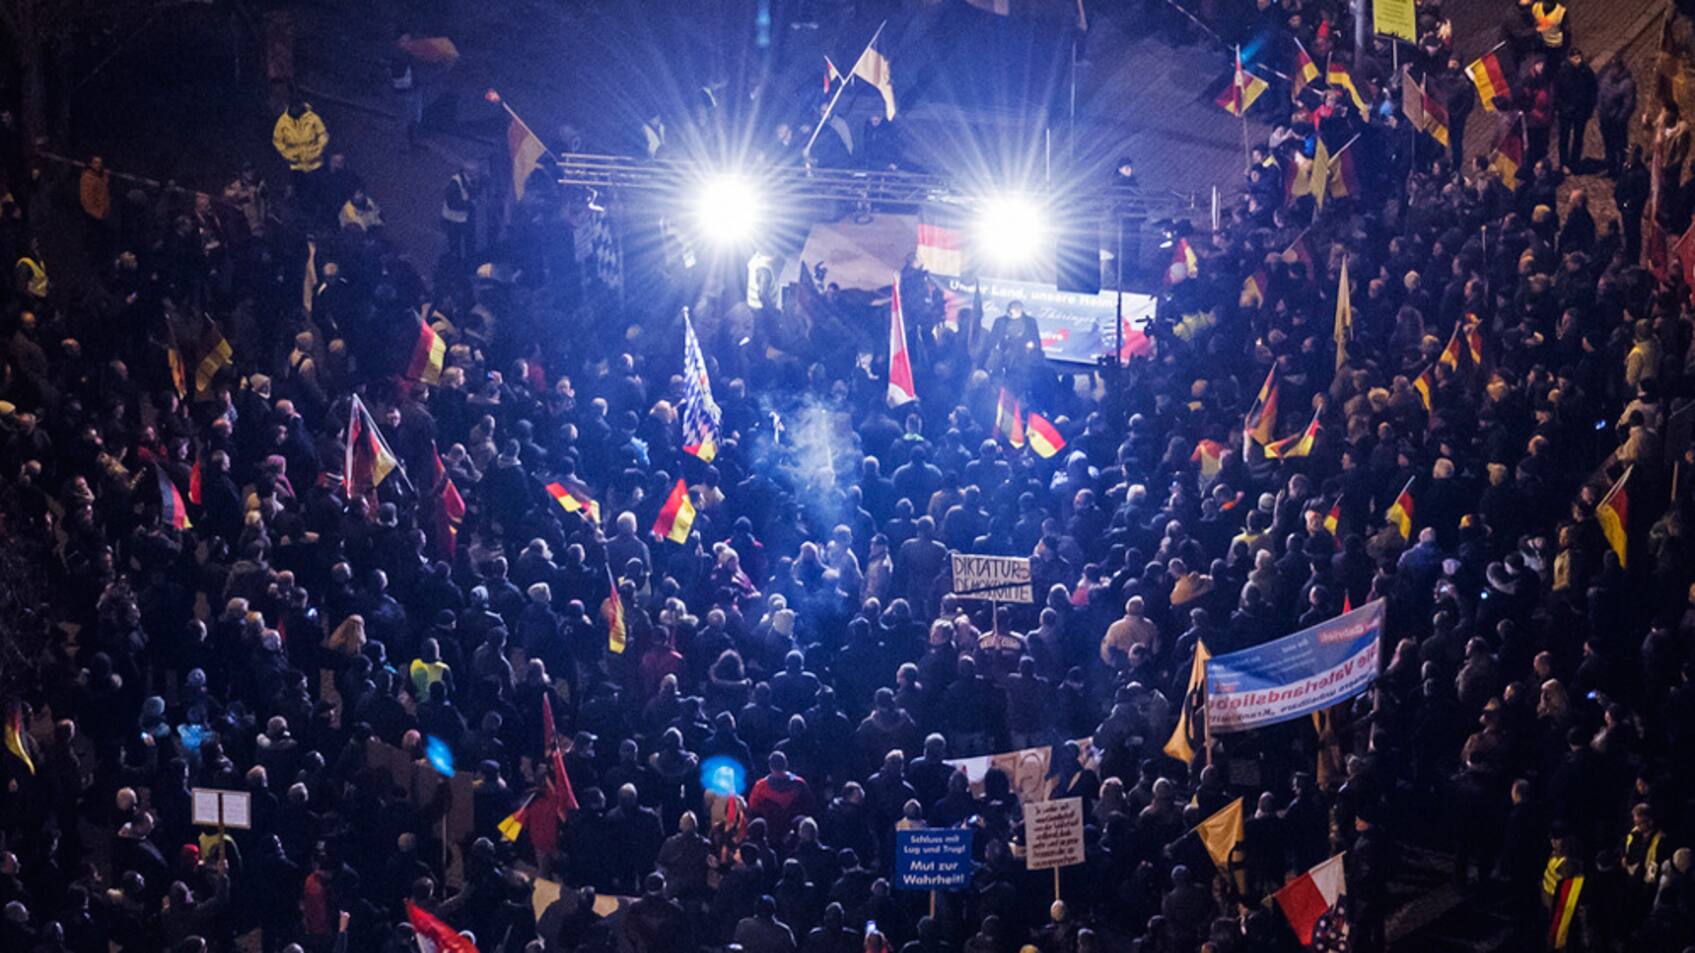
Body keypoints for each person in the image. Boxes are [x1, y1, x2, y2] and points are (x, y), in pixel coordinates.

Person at [1553, 48, 1596, 173]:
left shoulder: (1586, 71)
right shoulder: (1562, 72)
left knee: (1578, 137)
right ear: (1570, 58)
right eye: (1576, 58)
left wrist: (1589, 109)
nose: (1579, 60)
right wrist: (1562, 108)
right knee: (1564, 137)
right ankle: (1564, 163)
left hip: (1581, 111)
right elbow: (1557, 93)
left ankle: (1575, 161)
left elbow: (1593, 90)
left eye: (1580, 57)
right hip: (1566, 111)